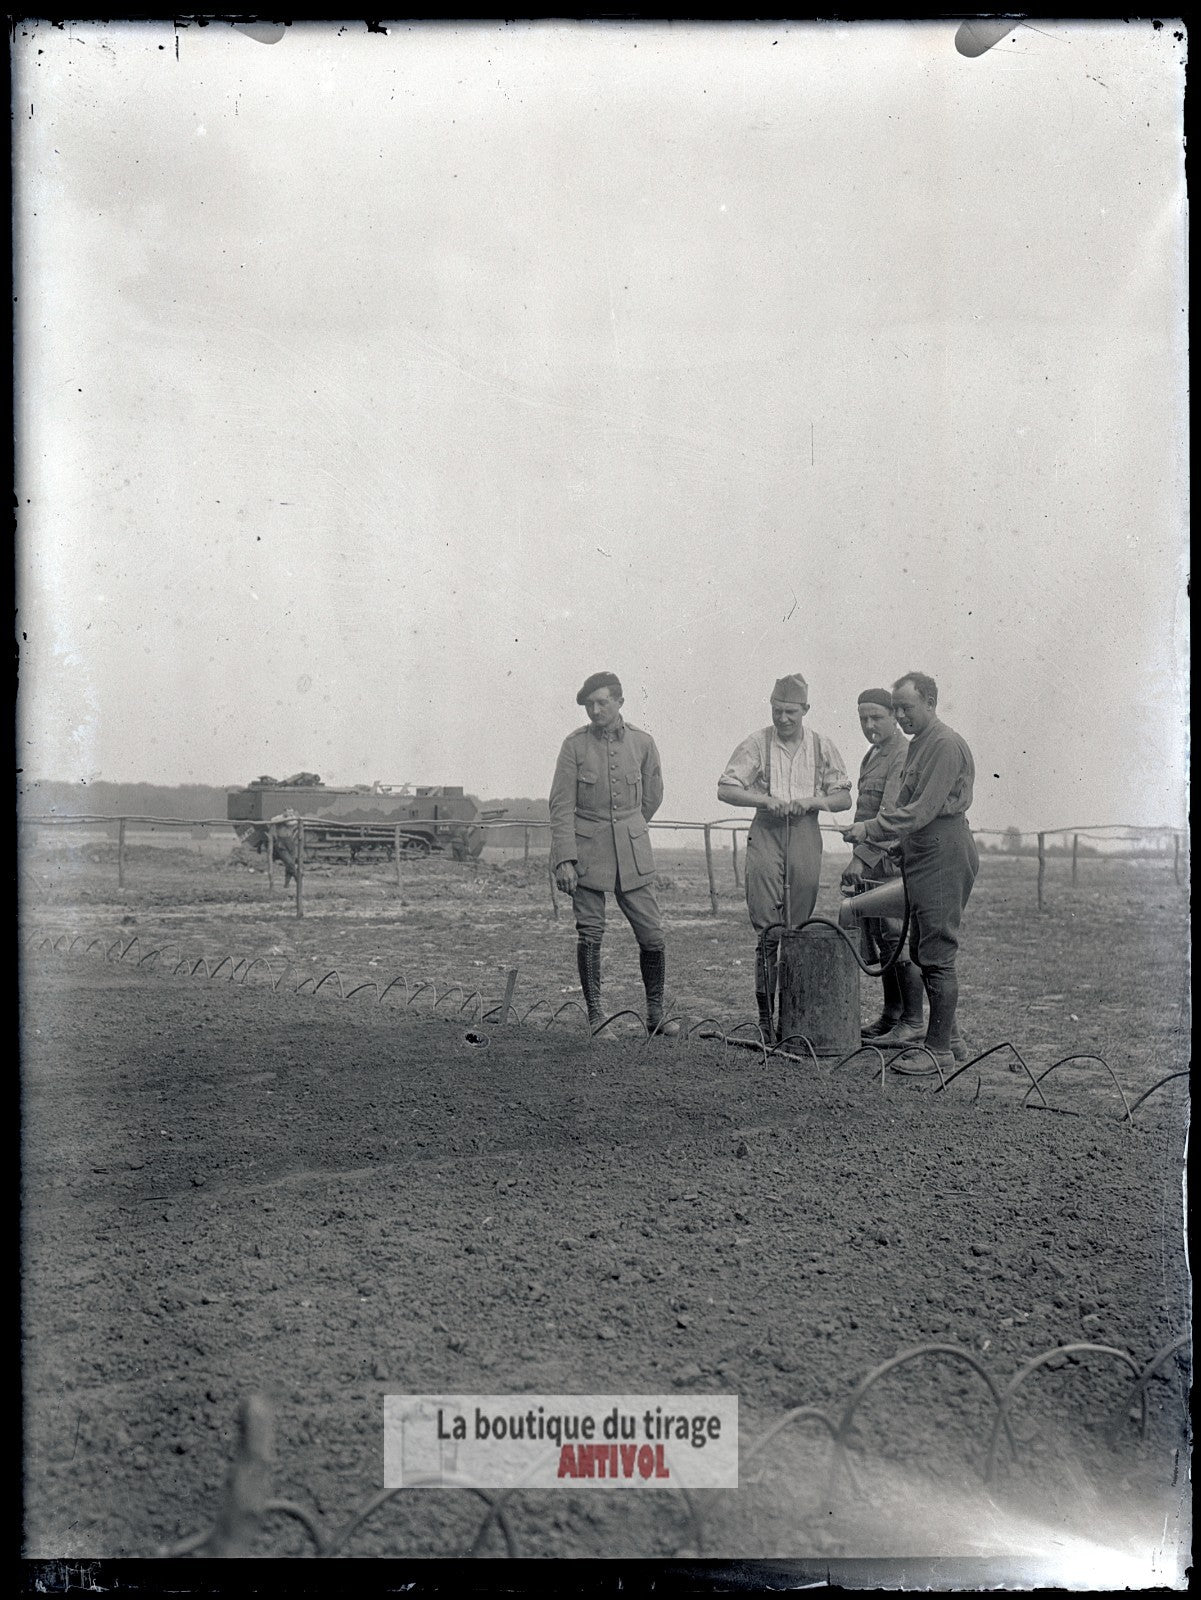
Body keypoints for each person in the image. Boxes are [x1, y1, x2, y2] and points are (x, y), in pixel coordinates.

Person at [842, 672, 977, 1074]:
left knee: (936, 952)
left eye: (907, 708)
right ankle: (950, 1038)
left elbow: (921, 810)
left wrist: (871, 829)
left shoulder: (944, 744)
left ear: (931, 703)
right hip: (924, 851)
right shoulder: (921, 745)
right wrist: (902, 846)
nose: (899, 715)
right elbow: (915, 808)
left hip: (944, 851)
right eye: (896, 708)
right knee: (921, 948)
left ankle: (937, 1052)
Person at [717, 674, 851, 1041]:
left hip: (805, 832)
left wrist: (814, 801)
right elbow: (725, 788)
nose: (784, 719)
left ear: (805, 709)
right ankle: (765, 1021)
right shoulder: (757, 743)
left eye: (791, 712)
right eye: (778, 711)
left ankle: (791, 1018)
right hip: (767, 831)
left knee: (797, 929)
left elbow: (843, 797)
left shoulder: (822, 746)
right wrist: (765, 800)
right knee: (767, 929)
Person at [549, 672, 679, 1037]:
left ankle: (656, 1014)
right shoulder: (574, 746)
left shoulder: (643, 743)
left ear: (620, 701)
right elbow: (560, 806)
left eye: (602, 702)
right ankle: (596, 1016)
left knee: (652, 933)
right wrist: (564, 858)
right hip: (587, 853)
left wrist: (631, 829)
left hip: (633, 853)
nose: (595, 710)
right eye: (590, 704)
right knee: (590, 932)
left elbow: (652, 796)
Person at [840, 689, 927, 1043]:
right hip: (871, 862)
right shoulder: (872, 755)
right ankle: (891, 1016)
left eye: (876, 717)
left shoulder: (903, 753)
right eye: (863, 718)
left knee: (897, 937)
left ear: (894, 716)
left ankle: (912, 1021)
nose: (869, 725)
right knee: (881, 937)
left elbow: (891, 814)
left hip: (891, 861)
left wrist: (860, 858)